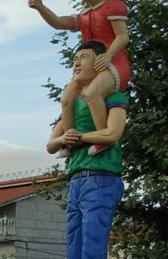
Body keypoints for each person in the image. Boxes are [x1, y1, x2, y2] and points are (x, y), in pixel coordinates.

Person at [46, 40, 133, 259]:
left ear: (99, 61)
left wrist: (77, 137)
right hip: (77, 182)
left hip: (102, 180)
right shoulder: (71, 100)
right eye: (74, 59)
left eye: (82, 58)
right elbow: (52, 144)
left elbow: (112, 134)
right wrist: (63, 138)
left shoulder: (113, 96)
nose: (76, 64)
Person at [30, 0, 130, 156]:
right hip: (88, 64)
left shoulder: (113, 5)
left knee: (92, 93)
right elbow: (58, 23)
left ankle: (102, 137)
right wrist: (41, 8)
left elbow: (123, 37)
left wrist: (108, 55)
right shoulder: (84, 15)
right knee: (67, 98)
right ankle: (69, 141)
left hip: (114, 61)